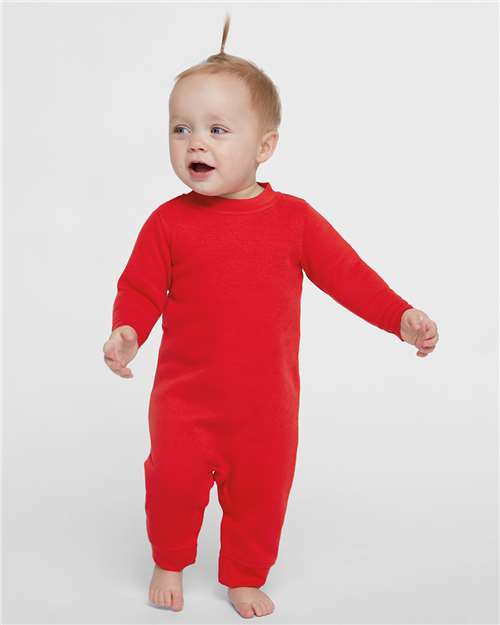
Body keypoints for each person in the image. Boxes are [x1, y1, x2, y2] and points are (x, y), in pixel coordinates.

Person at [103, 13, 439, 619]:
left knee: (260, 494)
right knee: (172, 482)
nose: (195, 142)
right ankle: (169, 560)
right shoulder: (168, 222)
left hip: (266, 407)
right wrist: (128, 331)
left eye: (217, 129)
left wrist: (399, 315)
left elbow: (349, 276)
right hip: (184, 400)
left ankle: (243, 575)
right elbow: (141, 288)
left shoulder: (294, 221)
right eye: (181, 128)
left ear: (264, 147)